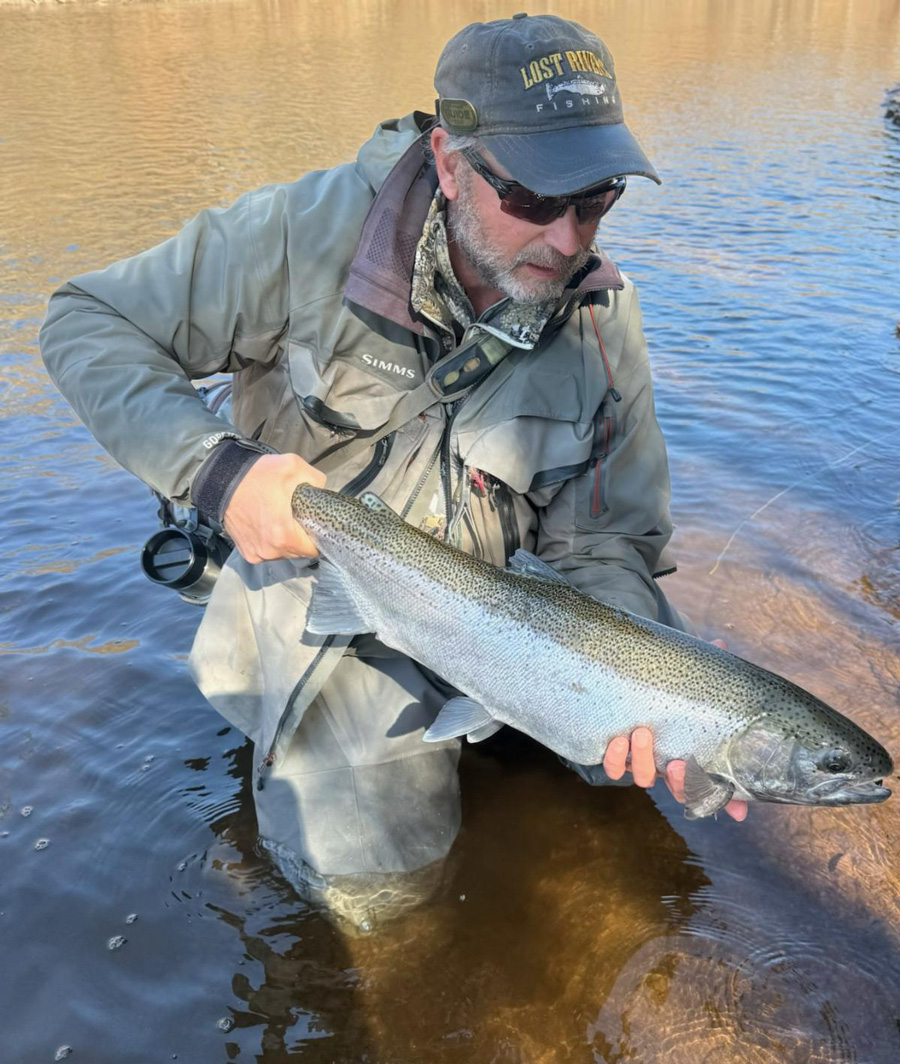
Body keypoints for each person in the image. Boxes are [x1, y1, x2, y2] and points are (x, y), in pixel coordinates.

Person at [40, 14, 745, 929]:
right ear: (450, 163)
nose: (570, 237)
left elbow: (610, 538)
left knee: (638, 749)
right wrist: (217, 473)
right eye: (536, 198)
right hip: (324, 583)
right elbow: (86, 321)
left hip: (499, 609)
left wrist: (638, 687)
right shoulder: (300, 236)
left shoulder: (601, 319)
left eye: (596, 198)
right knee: (382, 885)